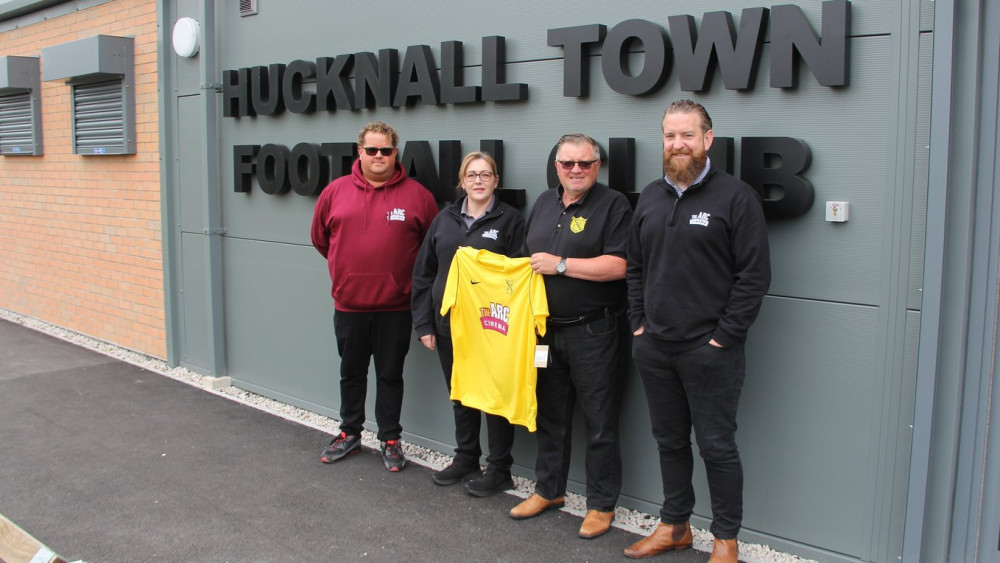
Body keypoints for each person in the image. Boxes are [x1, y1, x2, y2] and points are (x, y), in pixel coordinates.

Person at [623, 100, 771, 562]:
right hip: (655, 347)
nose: (677, 144)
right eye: (670, 136)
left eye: (687, 135)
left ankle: (726, 540)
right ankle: (675, 526)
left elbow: (754, 277)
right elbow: (635, 268)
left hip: (710, 350)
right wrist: (639, 326)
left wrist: (723, 338)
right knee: (669, 441)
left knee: (716, 447)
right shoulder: (649, 196)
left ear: (708, 138)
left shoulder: (736, 197)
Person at [512, 133, 633, 540]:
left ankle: (601, 505)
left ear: (597, 166)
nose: (576, 170)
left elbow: (620, 266)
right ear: (557, 167)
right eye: (567, 164)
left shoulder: (614, 205)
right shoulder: (545, 203)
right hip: (546, 332)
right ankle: (548, 490)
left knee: (600, 421)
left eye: (585, 163)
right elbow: (527, 260)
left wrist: (560, 265)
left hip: (594, 329)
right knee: (551, 416)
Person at [310, 121, 439, 472]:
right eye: (371, 150)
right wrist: (347, 273)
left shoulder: (417, 195)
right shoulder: (334, 192)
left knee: (389, 375)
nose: (378, 156)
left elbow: (431, 248)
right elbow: (321, 239)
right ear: (360, 152)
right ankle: (349, 433)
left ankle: (390, 439)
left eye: (385, 150)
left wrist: (399, 281)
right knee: (351, 373)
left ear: (396, 153)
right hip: (349, 305)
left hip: (396, 307)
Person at [411, 152, 527, 496]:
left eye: (485, 175)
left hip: (492, 328)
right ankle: (466, 458)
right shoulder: (444, 219)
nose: (478, 181)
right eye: (471, 175)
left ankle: (500, 468)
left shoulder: (511, 220)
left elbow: (520, 278)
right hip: (449, 326)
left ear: (496, 181)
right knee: (461, 395)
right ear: (462, 181)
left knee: (493, 397)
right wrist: (424, 324)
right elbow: (423, 273)